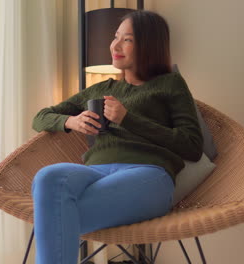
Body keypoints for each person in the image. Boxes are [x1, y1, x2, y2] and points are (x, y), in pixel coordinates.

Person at [30, 10, 203, 264]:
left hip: (148, 174)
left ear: (149, 45)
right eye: (116, 37)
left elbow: (192, 146)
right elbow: (40, 117)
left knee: (55, 213)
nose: (115, 45)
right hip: (96, 172)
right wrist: (71, 121)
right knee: (48, 177)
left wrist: (128, 119)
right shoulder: (102, 89)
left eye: (127, 40)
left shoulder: (171, 84)